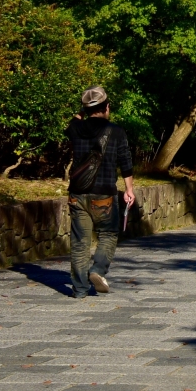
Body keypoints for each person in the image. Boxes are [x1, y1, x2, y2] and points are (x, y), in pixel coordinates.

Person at [64, 86, 135, 299]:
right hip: (104, 194)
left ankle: (79, 289)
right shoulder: (116, 131)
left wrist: (82, 112)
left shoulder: (75, 128)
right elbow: (125, 162)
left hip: (77, 193)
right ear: (107, 107)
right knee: (108, 234)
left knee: (79, 242)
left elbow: (73, 121)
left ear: (85, 110)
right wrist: (129, 189)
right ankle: (97, 270)